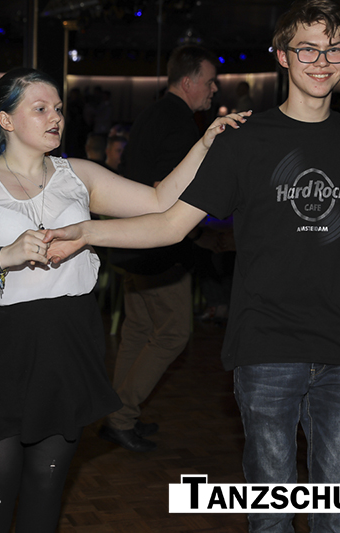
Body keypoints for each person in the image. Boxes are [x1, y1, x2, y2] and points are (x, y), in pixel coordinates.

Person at [42, 1, 340, 531]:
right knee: (271, 521)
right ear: (282, 56)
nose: (321, 61)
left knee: (336, 521)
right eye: (307, 49)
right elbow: (169, 224)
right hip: (266, 349)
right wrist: (87, 233)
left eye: (333, 50)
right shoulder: (244, 140)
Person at [0, 68, 246, 533]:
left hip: (69, 339)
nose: (55, 117)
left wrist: (204, 144)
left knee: (46, 487)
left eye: (58, 108)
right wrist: (5, 256)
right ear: (7, 120)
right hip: (0, 344)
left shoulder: (78, 174)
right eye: (40, 109)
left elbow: (160, 200)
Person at [104, 44, 220, 453]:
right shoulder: (181, 126)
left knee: (137, 331)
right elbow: (165, 191)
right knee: (172, 333)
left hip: (132, 245)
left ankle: (118, 415)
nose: (214, 89)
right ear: (188, 82)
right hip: (157, 251)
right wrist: (200, 232)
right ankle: (121, 416)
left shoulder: (151, 114)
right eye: (209, 82)